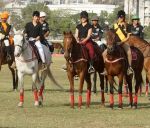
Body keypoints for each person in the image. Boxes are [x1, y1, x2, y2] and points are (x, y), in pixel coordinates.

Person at [101, 10, 133, 75]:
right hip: (115, 43)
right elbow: (111, 34)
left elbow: (128, 37)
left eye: (122, 17)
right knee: (104, 54)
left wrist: (121, 42)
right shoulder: (114, 25)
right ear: (118, 17)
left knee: (129, 53)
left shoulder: (128, 25)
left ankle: (129, 68)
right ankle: (105, 69)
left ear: (124, 17)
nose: (121, 18)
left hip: (124, 42)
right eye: (119, 17)